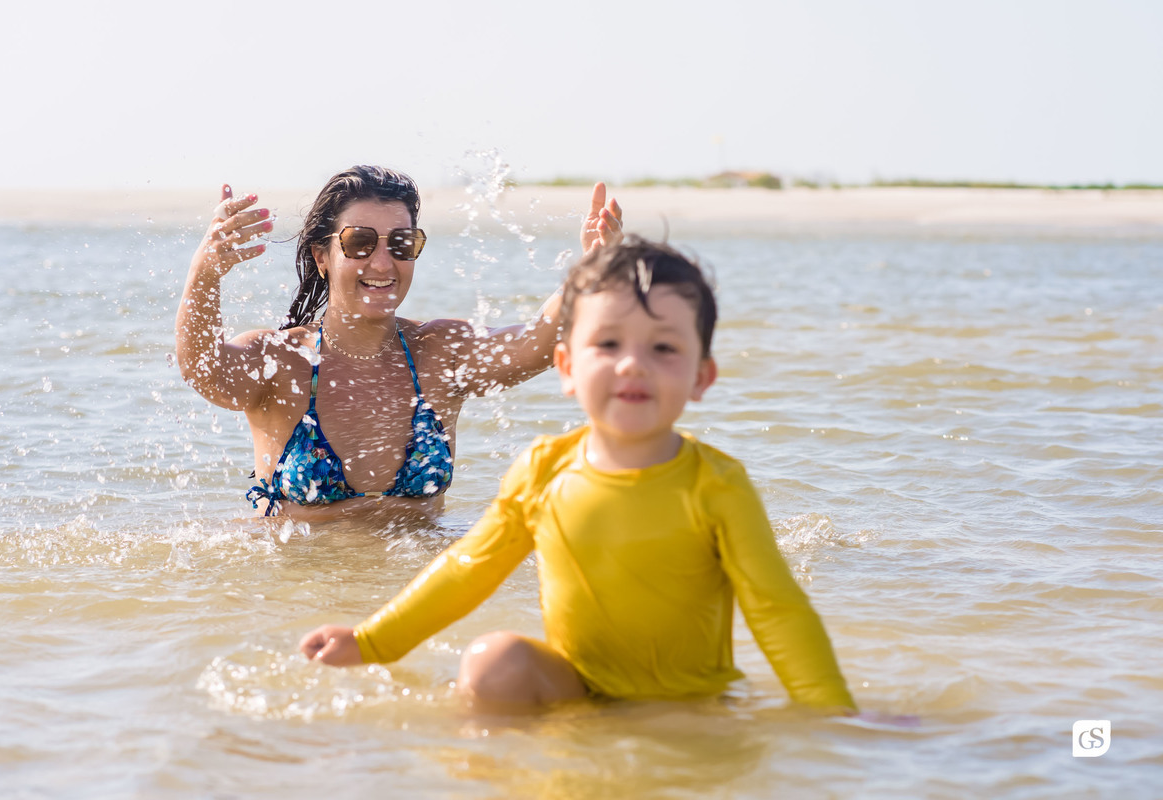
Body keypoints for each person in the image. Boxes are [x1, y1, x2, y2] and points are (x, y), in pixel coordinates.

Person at [298, 236, 857, 714]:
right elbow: (467, 569)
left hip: (684, 703)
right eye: (608, 344)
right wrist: (373, 641)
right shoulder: (544, 470)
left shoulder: (716, 486)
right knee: (494, 661)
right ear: (566, 367)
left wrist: (835, 716)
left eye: (663, 348)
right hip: (577, 690)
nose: (632, 364)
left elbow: (777, 609)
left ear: (701, 377)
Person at [175, 166, 622, 522]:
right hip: (299, 599)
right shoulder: (281, 361)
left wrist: (593, 269)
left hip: (415, 599)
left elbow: (539, 342)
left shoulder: (440, 353)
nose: (383, 262)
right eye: (360, 243)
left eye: (402, 243)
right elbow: (204, 369)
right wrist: (206, 273)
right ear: (321, 256)